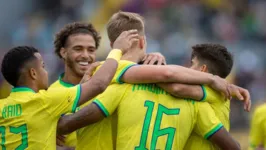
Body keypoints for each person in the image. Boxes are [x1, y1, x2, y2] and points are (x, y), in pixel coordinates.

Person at [57, 11, 249, 150]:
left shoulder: (117, 81)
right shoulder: (195, 103)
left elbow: (73, 122)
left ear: (112, 44)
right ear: (142, 42)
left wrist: (56, 124)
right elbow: (171, 80)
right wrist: (214, 80)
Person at [0, 29, 138, 150]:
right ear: (33, 73)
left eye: (91, 49)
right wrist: (116, 50)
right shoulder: (48, 99)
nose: (46, 71)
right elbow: (99, 84)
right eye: (42, 66)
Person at [50, 22, 167, 149]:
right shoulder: (52, 94)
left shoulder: (110, 76)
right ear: (63, 52)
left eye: (91, 50)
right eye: (78, 49)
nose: (85, 55)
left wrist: (148, 57)